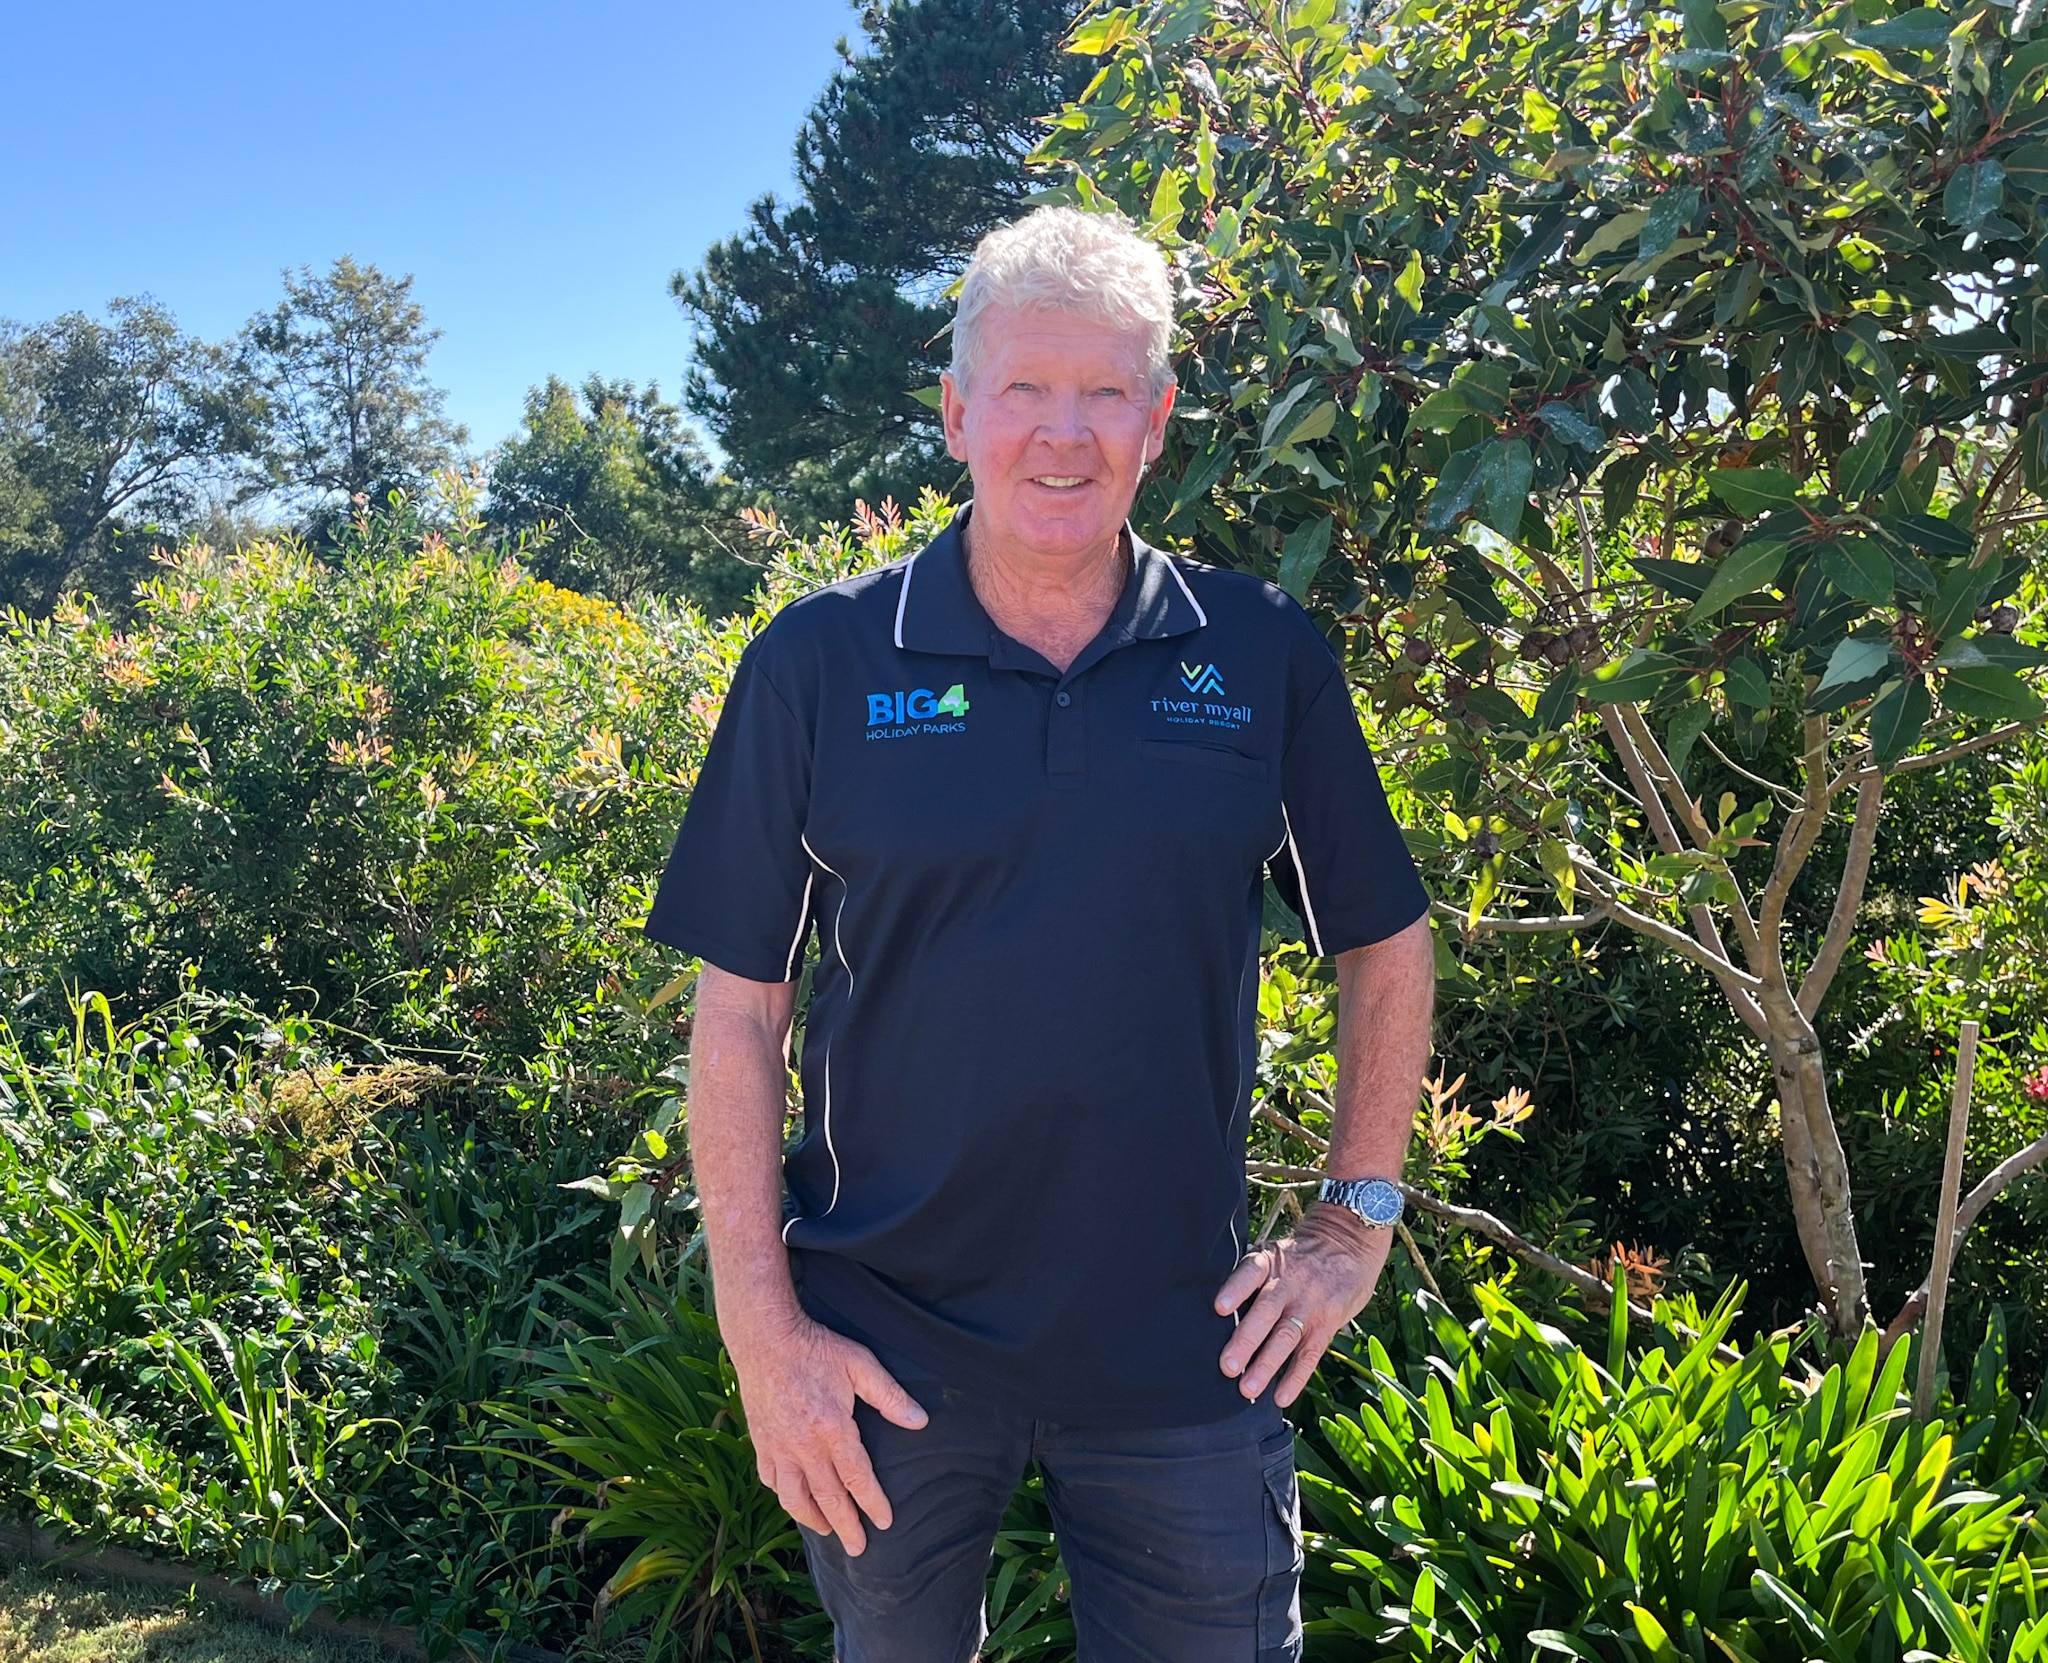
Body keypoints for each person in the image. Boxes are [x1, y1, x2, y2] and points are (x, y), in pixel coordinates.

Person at [643, 205, 1434, 1663]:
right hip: (883, 1351)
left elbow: (1384, 942)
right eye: (1023, 388)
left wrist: (1350, 1223)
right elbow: (738, 1014)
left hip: (1186, 1350)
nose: (1060, 433)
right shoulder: (819, 662)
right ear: (955, 412)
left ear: (1157, 419)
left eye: (1104, 392)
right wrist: (766, 1340)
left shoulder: (1259, 655)